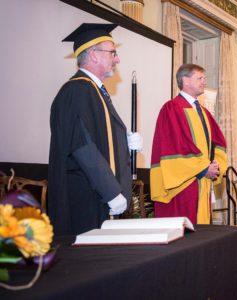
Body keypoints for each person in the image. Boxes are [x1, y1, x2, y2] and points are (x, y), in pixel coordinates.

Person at [49, 23, 142, 235]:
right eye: (112, 52)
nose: (117, 59)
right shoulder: (76, 91)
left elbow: (100, 138)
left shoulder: (94, 91)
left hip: (98, 194)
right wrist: (111, 192)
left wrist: (124, 142)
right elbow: (82, 146)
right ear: (93, 55)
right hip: (88, 196)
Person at [150, 64, 227, 224]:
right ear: (185, 80)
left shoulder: (204, 112)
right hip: (183, 185)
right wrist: (203, 169)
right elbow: (175, 145)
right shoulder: (172, 108)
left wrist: (215, 165)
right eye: (200, 78)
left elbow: (217, 142)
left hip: (202, 182)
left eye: (204, 78)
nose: (204, 82)